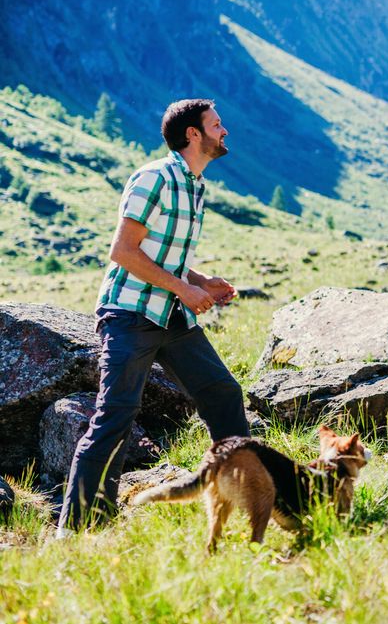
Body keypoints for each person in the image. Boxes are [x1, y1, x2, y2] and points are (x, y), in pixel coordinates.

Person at [57, 99, 250, 533]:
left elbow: (163, 256)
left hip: (173, 317)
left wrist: (201, 281)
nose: (226, 131)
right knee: (116, 416)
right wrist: (184, 288)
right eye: (217, 125)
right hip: (129, 314)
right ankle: (78, 530)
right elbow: (123, 252)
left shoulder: (196, 185)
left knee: (222, 394)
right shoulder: (154, 178)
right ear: (193, 134)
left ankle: (243, 496)